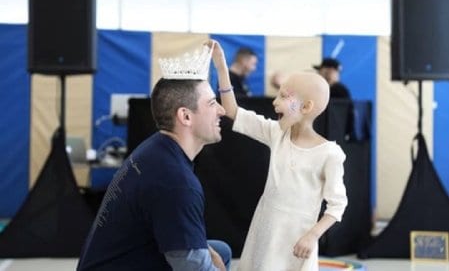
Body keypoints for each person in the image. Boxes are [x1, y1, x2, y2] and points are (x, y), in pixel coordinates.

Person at [77, 45, 232, 271]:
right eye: (211, 103)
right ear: (185, 116)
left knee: (221, 250)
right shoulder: (176, 182)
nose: (221, 110)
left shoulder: (156, 149)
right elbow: (194, 268)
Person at [209, 40, 347, 271]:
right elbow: (233, 111)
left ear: (306, 107)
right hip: (264, 235)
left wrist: (312, 235)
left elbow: (337, 205)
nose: (275, 101)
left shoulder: (330, 154)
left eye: (284, 96)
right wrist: (223, 69)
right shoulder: (277, 134)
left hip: (296, 244)